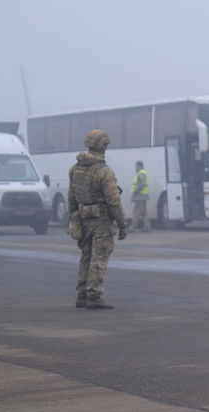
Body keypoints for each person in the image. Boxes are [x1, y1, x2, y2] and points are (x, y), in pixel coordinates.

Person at [68, 129, 128, 309]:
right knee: (99, 257)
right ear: (103, 146)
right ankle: (94, 295)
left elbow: (71, 197)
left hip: (83, 219)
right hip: (101, 222)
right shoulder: (105, 172)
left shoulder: (75, 169)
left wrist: (73, 218)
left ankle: (81, 294)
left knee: (85, 256)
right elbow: (114, 201)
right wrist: (122, 224)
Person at [129, 161, 151, 232]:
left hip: (140, 196)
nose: (135, 168)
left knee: (136, 212)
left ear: (139, 166)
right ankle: (147, 227)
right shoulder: (143, 173)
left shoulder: (141, 173)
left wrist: (135, 191)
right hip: (143, 196)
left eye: (136, 166)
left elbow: (142, 184)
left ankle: (132, 228)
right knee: (144, 212)